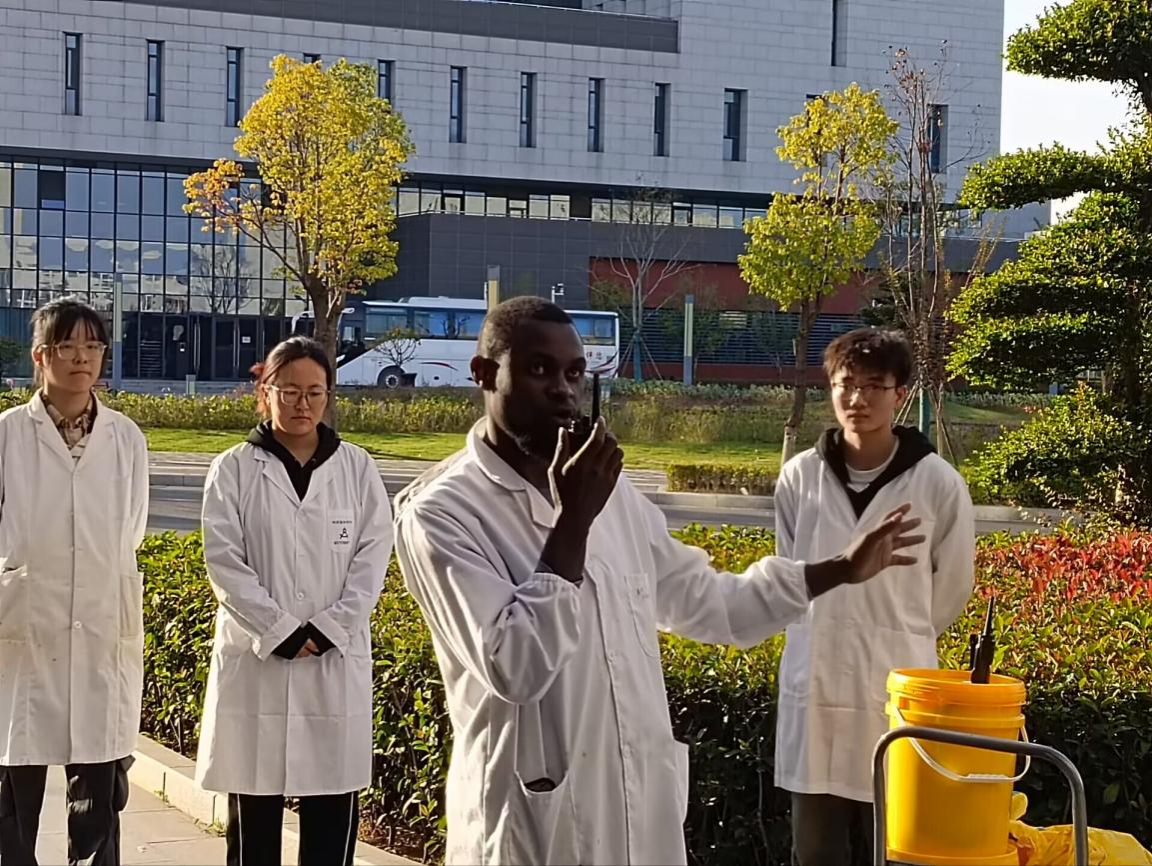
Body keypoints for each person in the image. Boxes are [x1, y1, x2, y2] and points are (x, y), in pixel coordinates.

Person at [393, 296, 926, 866]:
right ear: (483, 374)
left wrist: (838, 568)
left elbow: (709, 602)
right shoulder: (442, 513)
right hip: (534, 823)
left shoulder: (610, 493)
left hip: (637, 814)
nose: (562, 390)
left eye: (574, 373)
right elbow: (515, 665)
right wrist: (573, 522)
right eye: (539, 370)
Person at [772, 328, 976, 866]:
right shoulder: (800, 477)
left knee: (899, 844)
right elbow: (790, 574)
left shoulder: (937, 483)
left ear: (899, 393)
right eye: (846, 384)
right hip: (815, 680)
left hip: (898, 683)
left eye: (873, 386)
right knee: (815, 848)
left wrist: (900, 631)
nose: (857, 399)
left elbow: (954, 584)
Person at [195, 336, 393, 866]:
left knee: (331, 817)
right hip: (258, 660)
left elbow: (373, 557)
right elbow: (224, 561)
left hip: (333, 659)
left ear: (328, 395)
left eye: (314, 392)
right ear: (265, 392)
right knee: (254, 824)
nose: (302, 404)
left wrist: (332, 626)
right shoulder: (234, 468)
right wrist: (276, 628)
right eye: (289, 391)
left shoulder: (357, 468)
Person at [0, 297, 149, 866]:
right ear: (41, 356)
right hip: (24, 628)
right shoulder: (9, 435)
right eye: (67, 346)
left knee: (98, 790)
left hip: (100, 629)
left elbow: (131, 529)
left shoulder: (125, 438)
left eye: (92, 346)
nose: (82, 358)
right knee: (14, 789)